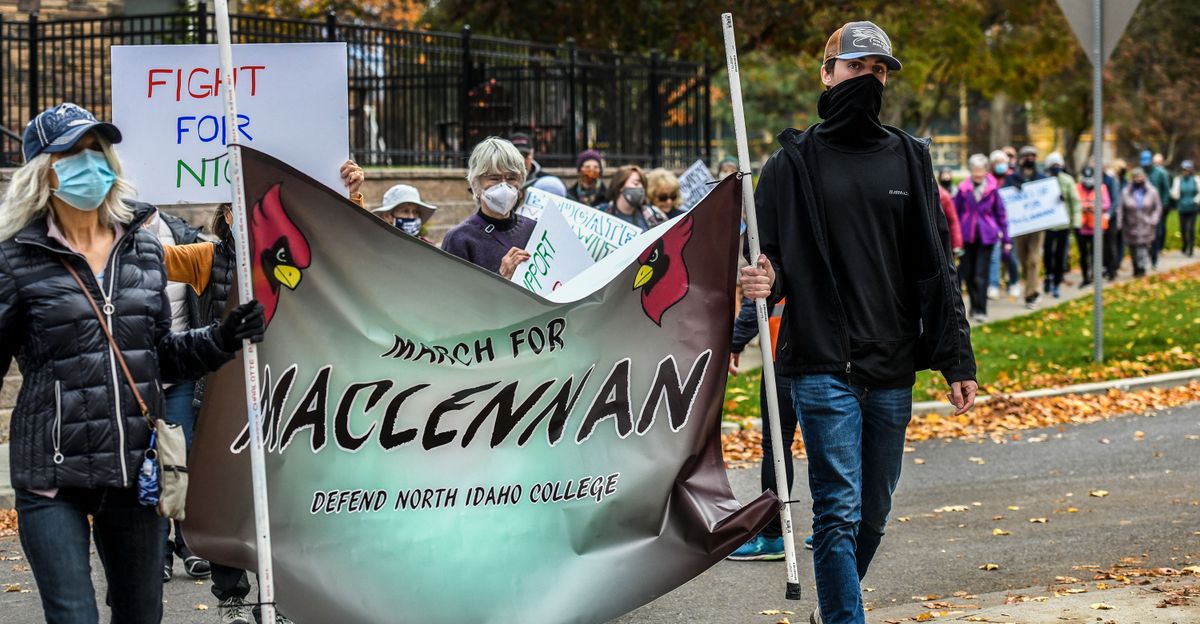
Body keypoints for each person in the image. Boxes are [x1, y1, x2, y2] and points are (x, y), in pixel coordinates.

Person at [739, 23, 977, 624]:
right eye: (856, 68)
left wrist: (956, 359)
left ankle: (833, 610)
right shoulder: (789, 164)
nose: (868, 80)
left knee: (873, 512)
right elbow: (772, 264)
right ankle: (847, 618)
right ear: (826, 74)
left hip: (892, 365)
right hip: (821, 363)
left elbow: (935, 268)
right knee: (837, 512)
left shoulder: (909, 156)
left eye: (878, 72)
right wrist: (763, 284)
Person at [0, 102, 264, 624]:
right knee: (73, 615)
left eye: (97, 151)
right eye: (73, 153)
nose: (90, 164)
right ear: (42, 172)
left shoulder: (143, 250)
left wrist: (223, 337)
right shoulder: (14, 261)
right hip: (53, 474)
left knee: (141, 614)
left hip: (134, 470)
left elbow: (161, 353)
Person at [725, 296, 806, 561]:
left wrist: (735, 341)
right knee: (827, 443)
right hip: (838, 352)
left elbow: (758, 294)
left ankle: (772, 536)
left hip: (784, 349)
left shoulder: (776, 252)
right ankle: (836, 528)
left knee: (778, 444)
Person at [441, 137, 534, 278]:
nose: (504, 186)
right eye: (494, 178)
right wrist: (501, 276)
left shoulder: (533, 229)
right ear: (476, 184)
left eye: (511, 178)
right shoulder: (460, 239)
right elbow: (452, 295)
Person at [954, 153, 1010, 322]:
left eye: (981, 170)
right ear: (970, 171)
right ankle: (973, 306)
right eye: (975, 170)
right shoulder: (963, 189)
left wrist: (1007, 239)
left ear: (986, 170)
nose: (978, 173)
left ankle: (981, 309)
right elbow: (955, 214)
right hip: (967, 237)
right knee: (968, 274)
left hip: (987, 237)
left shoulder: (993, 190)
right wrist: (954, 239)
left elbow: (1001, 215)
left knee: (980, 274)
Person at [1006, 145, 1048, 309]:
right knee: (1023, 259)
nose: (1029, 159)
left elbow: (1049, 196)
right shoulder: (1012, 179)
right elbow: (1004, 197)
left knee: (1033, 259)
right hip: (1020, 225)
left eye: (1033, 156)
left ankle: (1032, 294)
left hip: (1037, 225)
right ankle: (1031, 288)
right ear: (1021, 159)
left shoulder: (1043, 178)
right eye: (1026, 156)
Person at [1042, 152, 1081, 298]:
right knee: (1047, 254)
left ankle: (1057, 282)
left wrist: (1076, 223)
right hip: (1047, 225)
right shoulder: (1044, 180)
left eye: (1058, 165)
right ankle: (1048, 276)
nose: (1055, 167)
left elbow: (1075, 202)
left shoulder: (1067, 181)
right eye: (1053, 165)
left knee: (1060, 255)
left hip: (1064, 225)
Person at [987, 150, 1020, 300]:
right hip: (993, 224)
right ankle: (993, 285)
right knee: (994, 256)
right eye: (997, 162)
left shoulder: (1013, 178)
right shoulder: (988, 180)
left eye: (1002, 162)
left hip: (1012, 223)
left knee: (1011, 255)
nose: (1000, 165)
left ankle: (1014, 282)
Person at [596, 165, 668, 231]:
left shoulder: (655, 214)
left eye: (643, 185)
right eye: (636, 183)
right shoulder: (600, 213)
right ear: (620, 186)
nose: (640, 187)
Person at [1121, 167, 1163, 277]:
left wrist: (1153, 219)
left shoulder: (1152, 191)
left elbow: (1158, 207)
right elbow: (1121, 208)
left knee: (1142, 247)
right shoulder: (1126, 192)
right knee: (1133, 248)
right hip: (1131, 225)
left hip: (1146, 224)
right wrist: (1120, 223)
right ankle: (1136, 267)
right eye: (1135, 177)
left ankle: (1142, 269)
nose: (1138, 180)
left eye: (1140, 177)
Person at [1075, 166, 1112, 287]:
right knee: (1083, 254)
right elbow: (1074, 203)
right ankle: (1085, 277)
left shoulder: (1101, 188)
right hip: (1081, 226)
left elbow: (1106, 204)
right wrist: (1083, 206)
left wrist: (1093, 206)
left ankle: (1095, 276)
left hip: (1096, 226)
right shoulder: (1077, 187)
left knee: (1096, 253)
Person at [370, 183, 437, 242]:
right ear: (387, 216)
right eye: (405, 211)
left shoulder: (426, 247)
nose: (411, 216)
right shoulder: (376, 244)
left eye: (415, 212)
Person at [1148, 152, 1173, 269]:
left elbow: (1167, 189)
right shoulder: (1149, 172)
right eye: (1155, 162)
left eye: (1158, 162)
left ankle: (1158, 248)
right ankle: (1151, 248)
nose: (1156, 164)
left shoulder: (1164, 173)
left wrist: (1163, 205)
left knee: (1160, 228)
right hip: (1149, 206)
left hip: (1161, 206)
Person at [1170, 160, 1198, 257]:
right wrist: (1176, 194)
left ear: (1191, 170)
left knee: (1191, 229)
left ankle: (1191, 248)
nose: (1186, 171)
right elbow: (1174, 193)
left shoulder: (1196, 179)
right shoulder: (1178, 180)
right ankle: (1185, 244)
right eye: (1184, 169)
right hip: (1182, 208)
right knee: (1183, 229)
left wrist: (1195, 200)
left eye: (1187, 169)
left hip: (1193, 208)